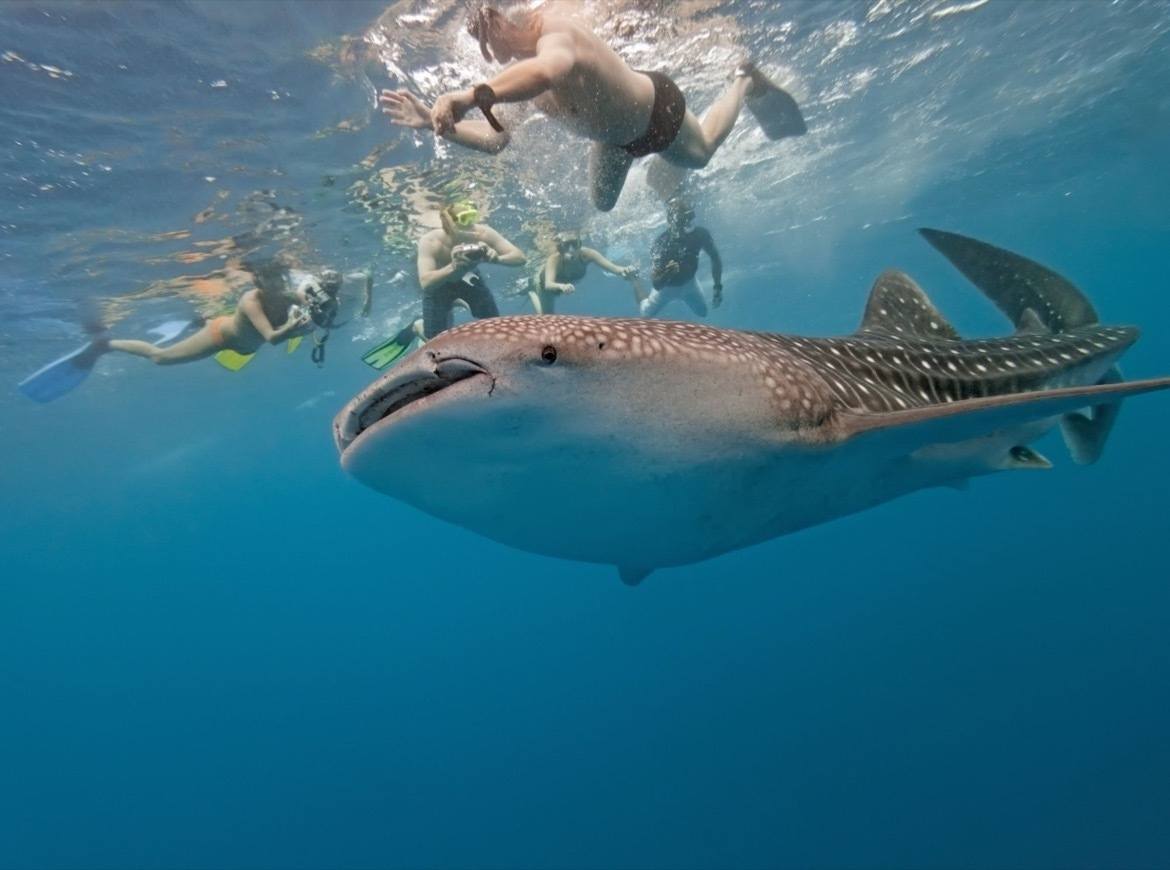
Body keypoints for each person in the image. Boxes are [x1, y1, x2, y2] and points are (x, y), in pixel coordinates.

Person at [379, 3, 806, 212]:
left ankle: (744, 79)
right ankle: (657, 165)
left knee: (704, 152)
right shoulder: (515, 77)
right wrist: (435, 126)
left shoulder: (555, 32)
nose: (494, 53)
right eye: (487, 47)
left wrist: (467, 96)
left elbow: (549, 70)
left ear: (515, 19)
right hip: (616, 142)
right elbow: (496, 140)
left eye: (496, 39)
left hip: (657, 111)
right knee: (602, 203)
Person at [361, 201, 524, 370]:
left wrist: (497, 258)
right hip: (439, 285)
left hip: (469, 277)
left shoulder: (484, 233)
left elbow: (520, 257)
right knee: (437, 344)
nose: (470, 226)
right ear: (449, 224)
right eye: (463, 220)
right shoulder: (430, 241)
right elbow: (426, 282)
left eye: (472, 218)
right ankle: (418, 326)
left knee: (494, 325)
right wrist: (453, 267)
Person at [527, 231, 644, 314]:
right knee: (547, 317)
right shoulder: (554, 259)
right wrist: (562, 286)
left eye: (575, 244)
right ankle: (532, 292)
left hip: (564, 285)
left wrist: (626, 270)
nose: (572, 249)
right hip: (544, 286)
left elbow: (614, 268)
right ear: (560, 248)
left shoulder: (588, 254)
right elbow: (548, 284)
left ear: (580, 244)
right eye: (567, 245)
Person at [641, 200, 722, 319]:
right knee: (645, 314)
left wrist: (718, 287)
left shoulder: (700, 234)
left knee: (703, 313)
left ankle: (685, 295)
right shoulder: (661, 243)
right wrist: (667, 274)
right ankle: (634, 281)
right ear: (671, 222)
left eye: (689, 218)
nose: (687, 225)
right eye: (681, 221)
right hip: (666, 290)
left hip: (690, 283)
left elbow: (715, 258)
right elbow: (657, 284)